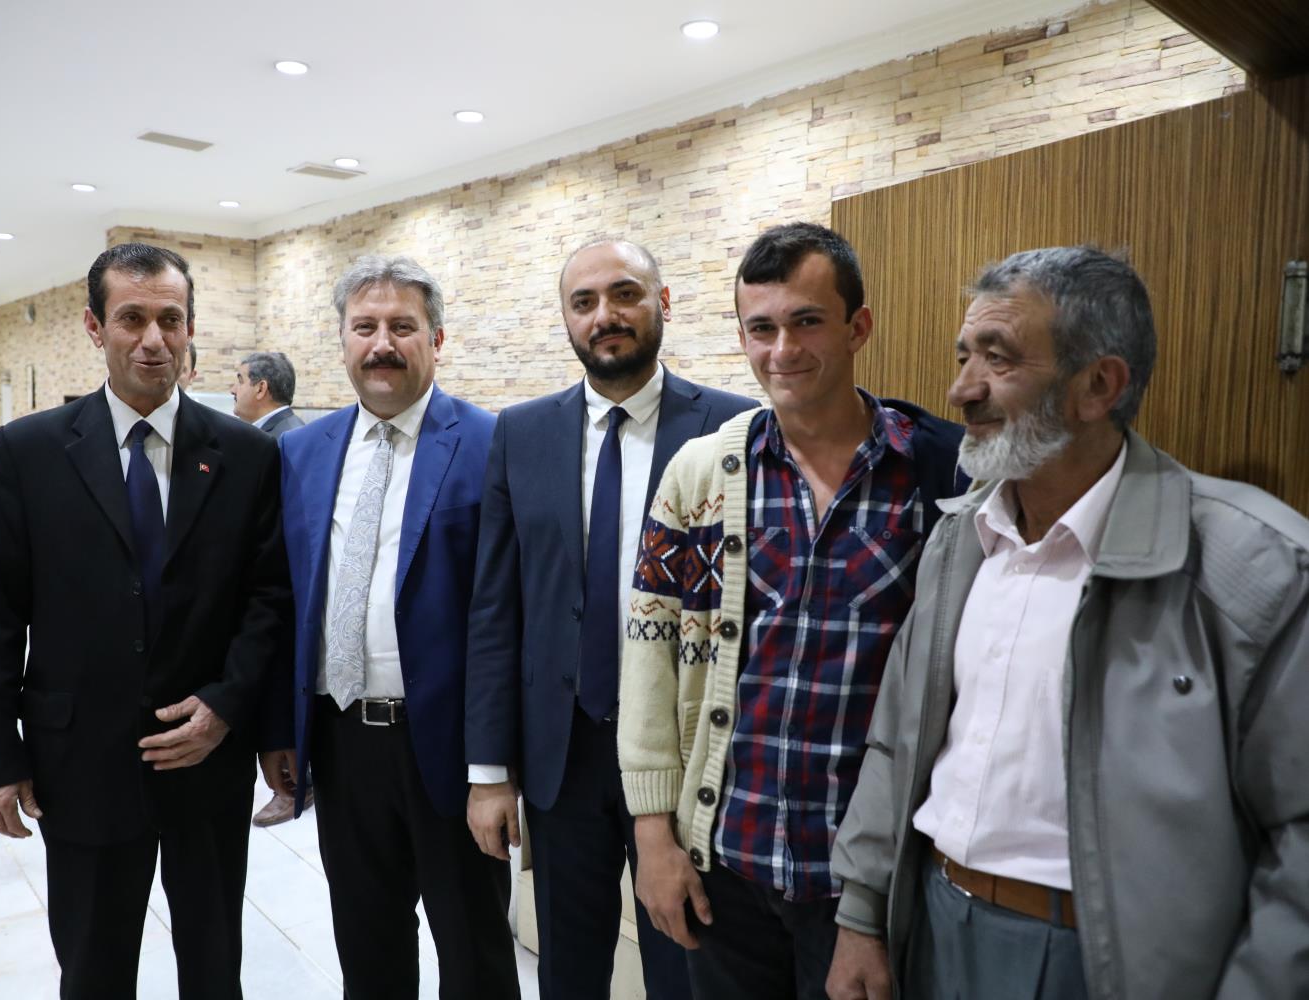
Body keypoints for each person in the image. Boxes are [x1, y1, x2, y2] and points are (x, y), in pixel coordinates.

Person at [825, 246, 1309, 1000]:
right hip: (934, 924)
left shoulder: (1251, 565)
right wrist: (861, 912)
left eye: (998, 358)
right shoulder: (959, 540)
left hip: (1105, 960)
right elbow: (898, 738)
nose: (961, 390)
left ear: (1098, 386)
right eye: (963, 356)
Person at [619, 223, 965, 1000]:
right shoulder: (699, 474)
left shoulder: (936, 476)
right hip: (725, 860)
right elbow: (650, 649)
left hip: (863, 880)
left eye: (806, 322)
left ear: (857, 327)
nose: (783, 350)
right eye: (762, 328)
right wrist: (653, 834)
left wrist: (876, 903)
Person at [0, 243, 292, 1000]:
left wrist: (227, 704)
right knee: (92, 966)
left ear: (190, 328)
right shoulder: (31, 451)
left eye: (170, 320)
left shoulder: (245, 455)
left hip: (204, 757)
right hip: (79, 758)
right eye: (131, 318)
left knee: (214, 963)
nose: (153, 340)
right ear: (94, 326)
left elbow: (269, 597)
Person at [465, 237, 755, 998]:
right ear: (566, 318)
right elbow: (496, 609)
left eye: (625, 294)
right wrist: (489, 773)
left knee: (686, 963)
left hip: (685, 754)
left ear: (664, 303)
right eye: (584, 302)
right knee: (568, 969)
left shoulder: (735, 429)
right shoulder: (520, 433)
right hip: (563, 752)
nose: (606, 316)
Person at [273, 255, 519, 999]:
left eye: (402, 326)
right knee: (368, 947)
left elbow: (506, 616)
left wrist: (494, 769)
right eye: (365, 327)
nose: (382, 343)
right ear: (342, 341)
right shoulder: (301, 452)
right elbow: (284, 599)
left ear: (436, 339)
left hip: (449, 750)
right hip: (341, 741)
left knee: (474, 955)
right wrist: (281, 730)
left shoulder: (492, 443)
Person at [229, 349, 309, 828]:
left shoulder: (284, 441)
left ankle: (296, 784)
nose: (233, 388)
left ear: (261, 388)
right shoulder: (274, 436)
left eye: (239, 379)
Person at [231, 351, 304, 439]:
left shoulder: (285, 441)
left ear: (261, 389)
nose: (232, 390)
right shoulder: (290, 433)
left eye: (240, 381)